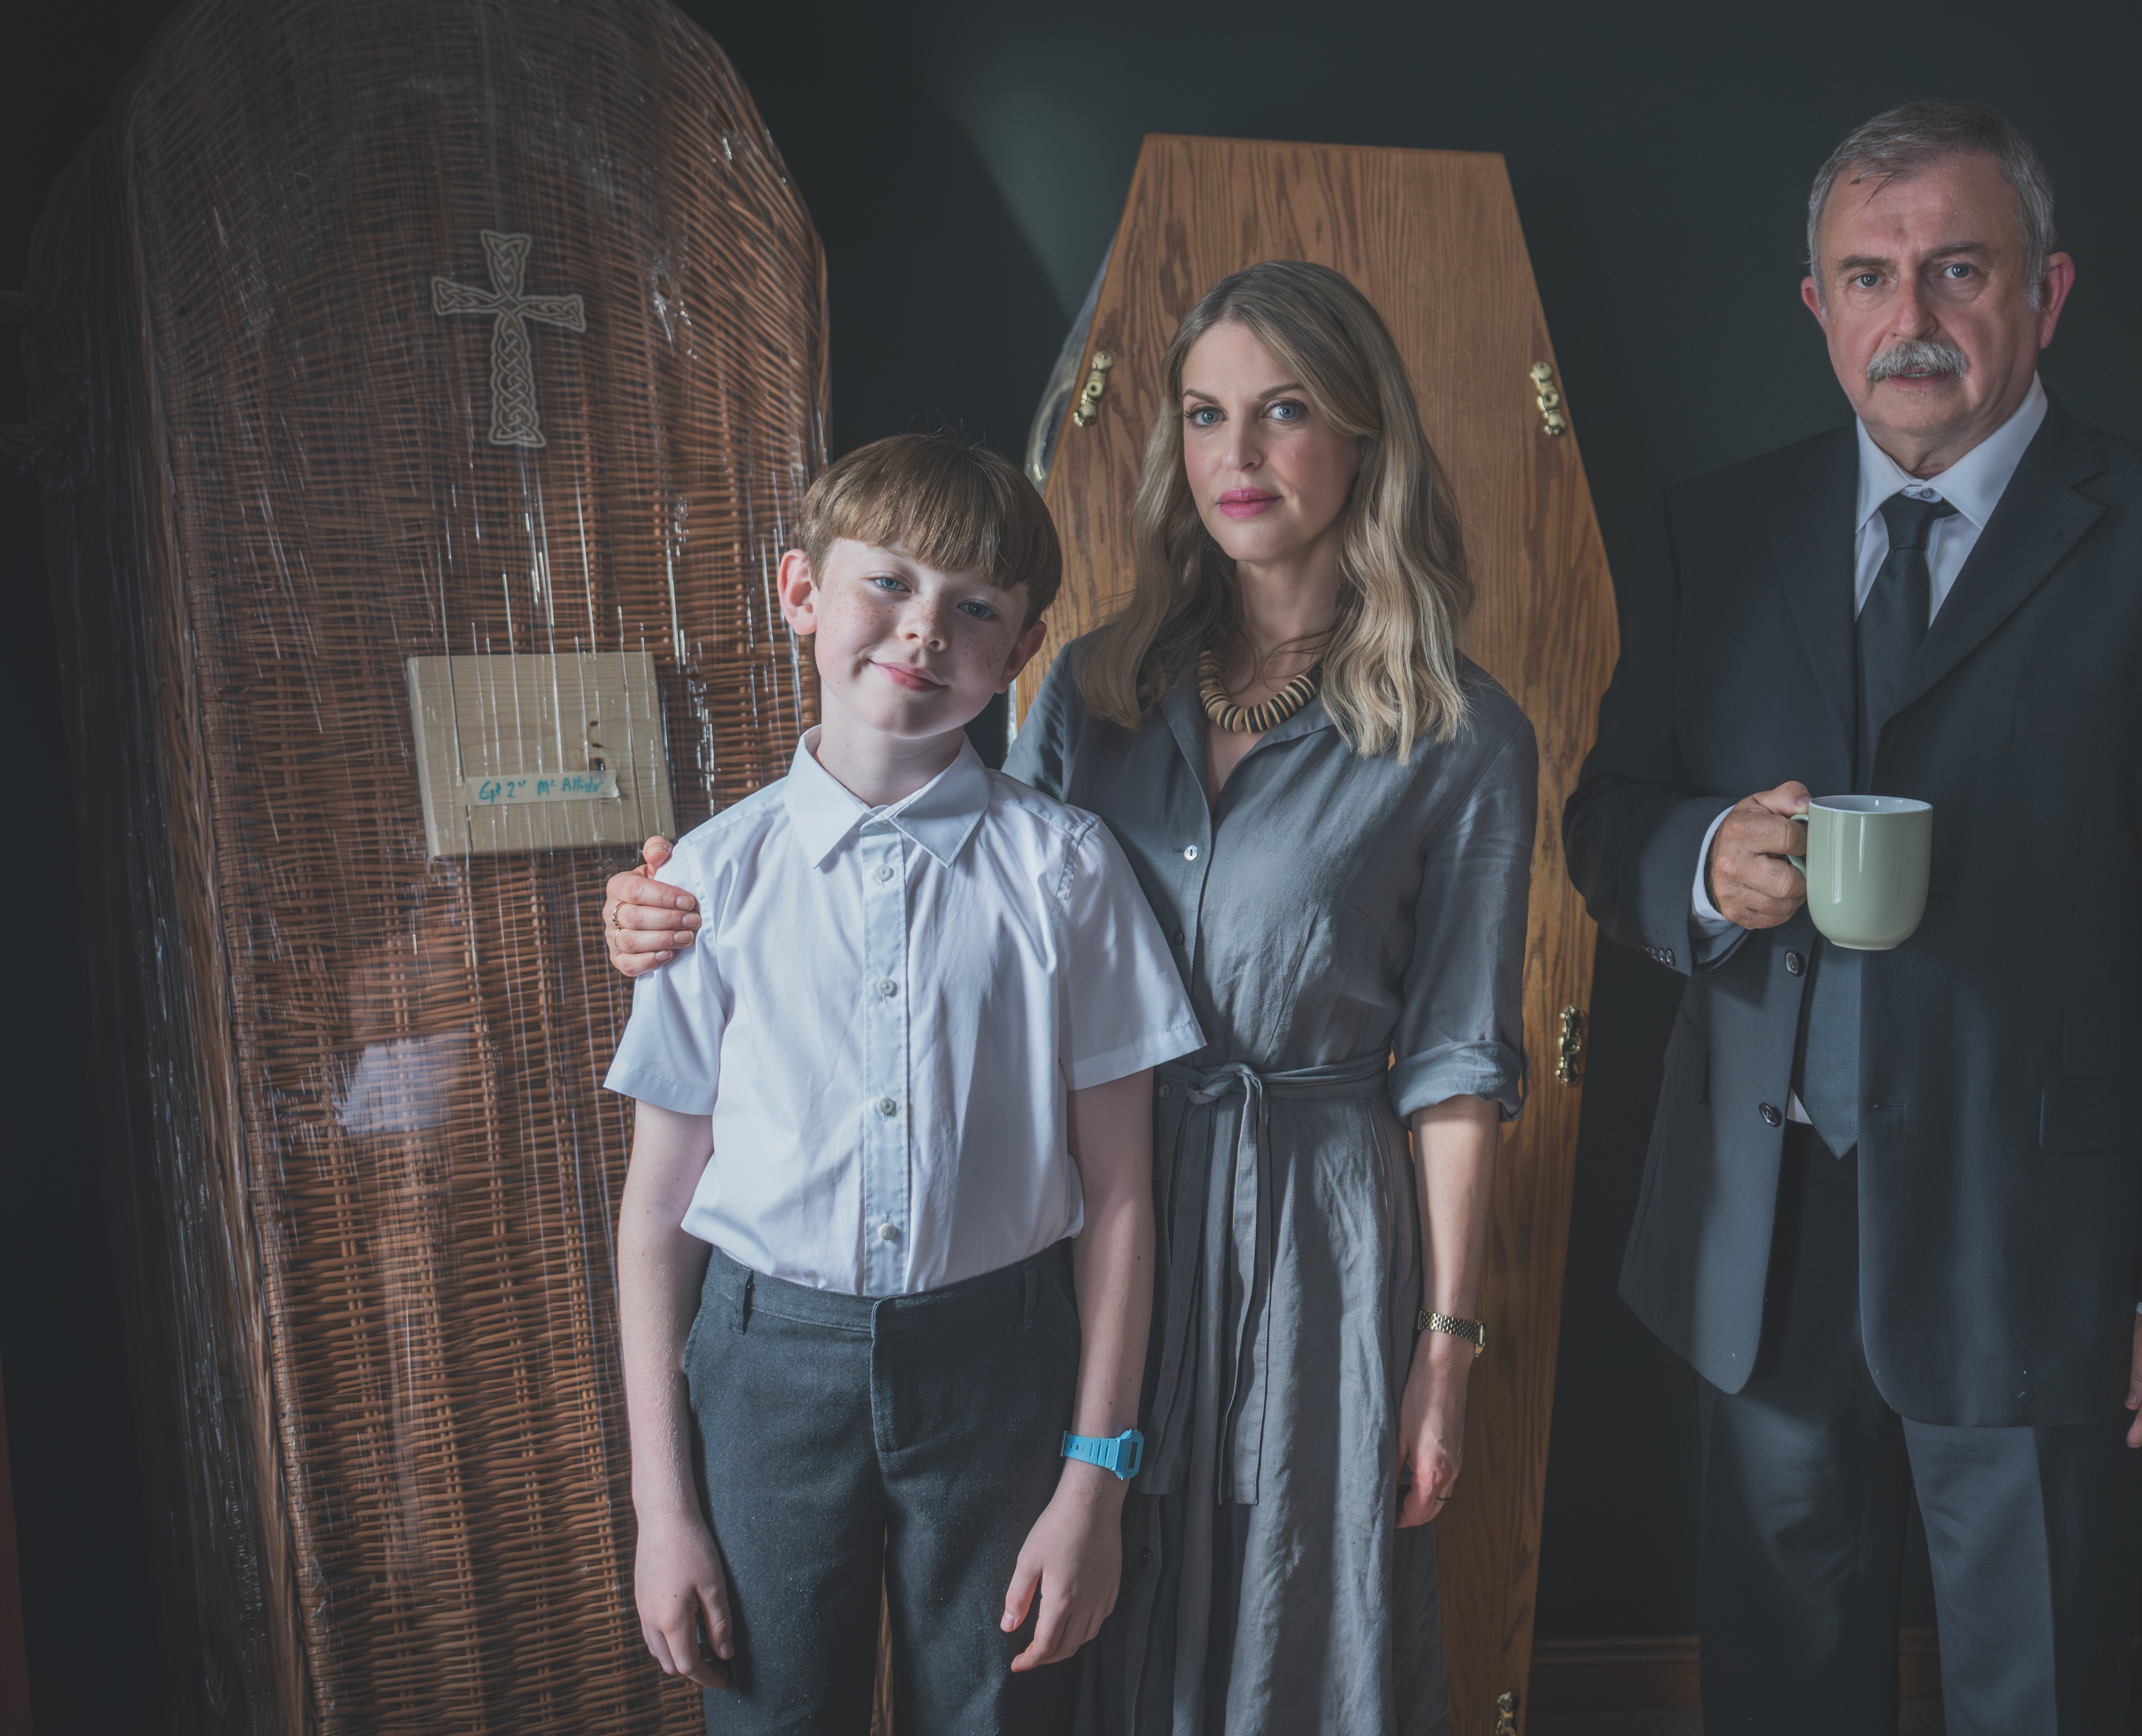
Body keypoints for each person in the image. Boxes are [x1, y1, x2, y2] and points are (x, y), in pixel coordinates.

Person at [606, 261, 1539, 1736]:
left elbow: (1459, 1057)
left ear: (1367, 439)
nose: (1237, 453)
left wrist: (1446, 1342)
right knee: (1063, 1644)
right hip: (1061, 1247)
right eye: (1205, 414)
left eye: (1286, 410)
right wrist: (674, 901)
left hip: (1302, 1234)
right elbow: (936, 870)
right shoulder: (1100, 687)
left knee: (1279, 1612)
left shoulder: (1459, 729)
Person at [1562, 102, 2142, 1733]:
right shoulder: (1712, 531)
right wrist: (1703, 857)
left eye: (1957, 270)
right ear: (1815, 305)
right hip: (1762, 1244)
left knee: (2041, 1695)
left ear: (2046, 292)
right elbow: (1606, 818)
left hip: (2040, 1257)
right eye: (1869, 276)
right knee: (1778, 1699)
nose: (1910, 317)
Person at [608, 433, 1203, 1734]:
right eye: (887, 583)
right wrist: (663, 1506)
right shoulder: (703, 883)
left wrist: (1093, 1482)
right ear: (801, 592)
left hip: (1003, 1369)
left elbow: (1119, 1197)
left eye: (974, 608)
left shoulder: (1067, 873)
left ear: (1020, 648)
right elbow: (657, 1207)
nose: (925, 631)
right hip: (763, 1377)